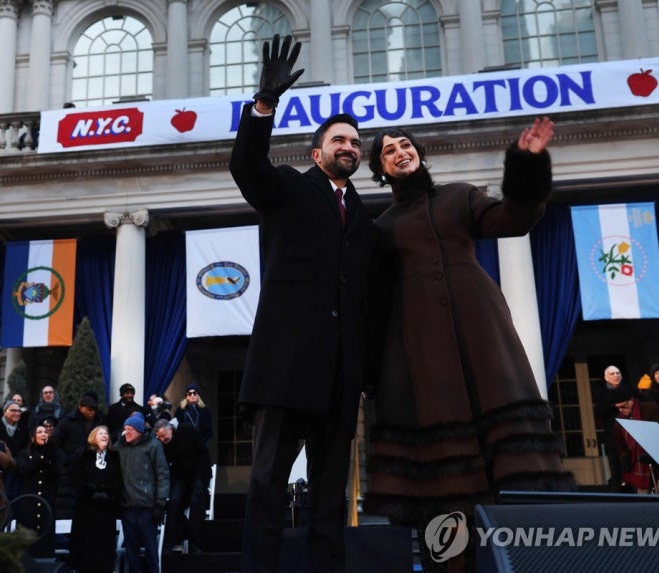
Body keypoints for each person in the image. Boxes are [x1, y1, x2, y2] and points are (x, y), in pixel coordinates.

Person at [363, 118, 576, 570]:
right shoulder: (380, 228)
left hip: (485, 339)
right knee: (445, 486)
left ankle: (518, 560)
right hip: (422, 358)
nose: (400, 151)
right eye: (388, 151)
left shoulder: (459, 195)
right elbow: (374, 304)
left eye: (405, 144)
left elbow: (513, 220)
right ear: (381, 171)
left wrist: (527, 163)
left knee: (510, 469)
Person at [229, 35, 376, 573]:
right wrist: (263, 107)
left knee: (330, 497)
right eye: (340, 139)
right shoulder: (289, 189)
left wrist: (366, 378)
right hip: (287, 370)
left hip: (340, 381)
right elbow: (248, 168)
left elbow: (368, 305)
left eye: (356, 142)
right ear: (318, 153)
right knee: (267, 485)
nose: (350, 147)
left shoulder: (364, 221)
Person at [114, 412, 169, 573]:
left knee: (151, 549)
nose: (127, 432)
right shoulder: (120, 447)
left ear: (139, 431)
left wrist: (160, 502)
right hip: (127, 507)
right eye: (125, 429)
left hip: (148, 507)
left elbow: (163, 474)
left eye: (131, 429)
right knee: (132, 551)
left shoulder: (153, 445)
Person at [69, 425, 122, 572]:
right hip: (86, 508)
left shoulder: (114, 457)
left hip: (106, 509)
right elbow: (76, 477)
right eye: (100, 433)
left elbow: (118, 480)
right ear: (93, 437)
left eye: (106, 433)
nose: (104, 435)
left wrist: (108, 494)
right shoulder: (83, 455)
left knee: (103, 547)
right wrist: (90, 491)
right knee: (85, 547)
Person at [154, 419, 212, 554]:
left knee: (196, 502)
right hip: (180, 478)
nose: (162, 439)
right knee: (174, 501)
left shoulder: (187, 430)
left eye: (163, 436)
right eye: (159, 437)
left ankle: (195, 542)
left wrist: (200, 478)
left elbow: (203, 454)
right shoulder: (163, 445)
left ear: (171, 430)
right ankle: (171, 540)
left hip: (198, 475)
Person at [612, 386, 659, 494]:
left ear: (631, 400)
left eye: (623, 406)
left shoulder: (650, 408)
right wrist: (624, 456)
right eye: (618, 408)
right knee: (643, 496)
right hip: (639, 464)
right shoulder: (620, 421)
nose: (621, 410)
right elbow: (621, 444)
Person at [50, 393, 102, 520]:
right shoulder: (67, 422)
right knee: (66, 507)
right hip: (69, 471)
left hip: (90, 471)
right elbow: (53, 444)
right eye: (89, 409)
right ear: (80, 407)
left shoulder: (98, 423)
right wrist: (66, 461)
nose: (92, 413)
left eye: (94, 410)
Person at [17, 424, 63, 559]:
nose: (44, 434)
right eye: (40, 432)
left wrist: (49, 454)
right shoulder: (24, 453)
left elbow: (58, 472)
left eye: (46, 432)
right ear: (33, 437)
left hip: (47, 498)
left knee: (45, 532)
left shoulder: (54, 453)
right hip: (29, 499)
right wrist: (41, 456)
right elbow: (25, 470)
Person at [593, 365, 635, 490]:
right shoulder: (601, 393)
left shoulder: (629, 389)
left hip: (631, 433)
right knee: (616, 468)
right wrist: (614, 405)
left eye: (618, 373)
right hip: (612, 435)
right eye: (612, 374)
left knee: (632, 466)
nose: (616, 375)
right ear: (606, 378)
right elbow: (599, 412)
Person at [0, 399, 31, 500]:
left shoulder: (24, 429)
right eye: (13, 410)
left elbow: (26, 448)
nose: (16, 413)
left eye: (18, 411)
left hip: (17, 468)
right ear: (4, 412)